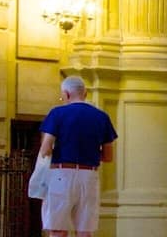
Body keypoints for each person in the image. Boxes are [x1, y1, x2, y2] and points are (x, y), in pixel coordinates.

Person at [38, 76, 116, 237]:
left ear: (66, 94)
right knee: (84, 230)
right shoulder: (102, 117)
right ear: (85, 93)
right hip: (89, 176)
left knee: (58, 229)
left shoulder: (58, 113)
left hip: (61, 174)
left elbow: (45, 149)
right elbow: (108, 156)